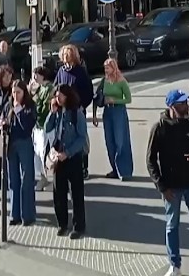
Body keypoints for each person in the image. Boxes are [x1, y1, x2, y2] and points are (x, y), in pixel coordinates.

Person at [147, 89, 189, 276]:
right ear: (172, 106)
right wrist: (162, 187)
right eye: (182, 103)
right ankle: (174, 265)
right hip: (171, 187)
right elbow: (150, 160)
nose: (186, 106)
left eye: (186, 102)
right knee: (172, 226)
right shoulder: (160, 128)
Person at [44, 83, 88, 239]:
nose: (58, 98)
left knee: (76, 193)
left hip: (72, 157)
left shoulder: (76, 114)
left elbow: (81, 138)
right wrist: (51, 112)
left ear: (68, 96)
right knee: (59, 192)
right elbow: (47, 128)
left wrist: (68, 153)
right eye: (56, 96)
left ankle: (79, 226)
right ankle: (62, 224)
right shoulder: (57, 113)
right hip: (58, 156)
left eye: (60, 96)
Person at [53, 44, 94, 178]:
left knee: (81, 138)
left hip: (77, 110)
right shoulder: (61, 71)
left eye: (68, 54)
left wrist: (82, 106)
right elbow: (55, 87)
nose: (66, 56)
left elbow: (88, 91)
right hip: (64, 111)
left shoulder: (80, 71)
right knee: (64, 137)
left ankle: (84, 167)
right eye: (64, 54)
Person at [3, 78, 38, 225]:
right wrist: (3, 124)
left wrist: (19, 111)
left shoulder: (30, 106)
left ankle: (27, 215)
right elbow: (5, 120)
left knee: (27, 179)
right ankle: (15, 214)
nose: (15, 96)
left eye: (18, 92)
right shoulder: (8, 105)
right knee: (13, 179)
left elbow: (28, 126)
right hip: (11, 144)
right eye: (13, 92)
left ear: (24, 93)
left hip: (24, 143)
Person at [99, 58, 135, 180]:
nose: (106, 70)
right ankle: (115, 169)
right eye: (105, 68)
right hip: (107, 112)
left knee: (120, 141)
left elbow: (128, 99)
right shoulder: (104, 81)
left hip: (119, 111)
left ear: (114, 68)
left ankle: (125, 171)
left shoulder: (121, 81)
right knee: (109, 141)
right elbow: (98, 96)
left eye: (108, 68)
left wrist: (115, 100)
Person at [30, 65, 57, 192]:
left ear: (43, 75)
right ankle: (42, 177)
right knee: (38, 153)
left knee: (48, 153)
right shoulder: (39, 88)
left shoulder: (49, 88)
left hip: (47, 125)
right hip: (38, 126)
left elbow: (44, 107)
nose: (34, 77)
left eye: (37, 75)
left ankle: (53, 180)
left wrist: (36, 110)